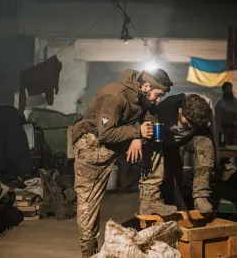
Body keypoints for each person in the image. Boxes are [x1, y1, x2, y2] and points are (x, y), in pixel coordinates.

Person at [72, 68, 176, 257]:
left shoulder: (144, 97)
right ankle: (89, 253)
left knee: (154, 141)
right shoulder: (115, 96)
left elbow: (151, 117)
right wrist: (136, 132)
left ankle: (150, 200)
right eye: (158, 94)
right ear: (146, 86)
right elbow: (106, 133)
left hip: (117, 142)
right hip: (92, 148)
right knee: (88, 206)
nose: (158, 99)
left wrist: (138, 138)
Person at [155, 93, 214, 213]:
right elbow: (153, 135)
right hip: (168, 143)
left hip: (188, 140)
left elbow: (211, 136)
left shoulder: (203, 114)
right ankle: (167, 201)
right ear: (180, 110)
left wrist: (214, 160)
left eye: (193, 125)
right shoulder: (165, 108)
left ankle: (201, 197)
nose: (189, 126)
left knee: (205, 143)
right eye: (187, 123)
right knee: (172, 177)